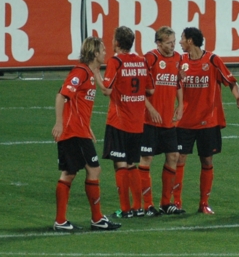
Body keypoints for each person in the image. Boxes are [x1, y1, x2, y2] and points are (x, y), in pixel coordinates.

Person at [51, 36, 121, 232]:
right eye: (103, 50)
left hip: (80, 130)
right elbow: (61, 96)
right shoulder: (80, 72)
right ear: (95, 53)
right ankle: (91, 219)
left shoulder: (89, 73)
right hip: (73, 132)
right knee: (87, 171)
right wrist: (59, 123)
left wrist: (87, 126)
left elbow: (82, 102)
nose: (106, 52)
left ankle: (66, 220)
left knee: (73, 173)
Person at [176, 27, 239, 214]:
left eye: (182, 38)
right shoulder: (180, 61)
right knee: (178, 160)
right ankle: (176, 203)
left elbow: (231, 81)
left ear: (190, 41)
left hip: (208, 122)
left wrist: (238, 97)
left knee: (207, 161)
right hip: (183, 121)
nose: (180, 42)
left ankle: (204, 203)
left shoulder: (212, 60)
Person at [101, 26, 157, 219]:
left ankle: (125, 209)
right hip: (137, 122)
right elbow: (150, 91)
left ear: (117, 42)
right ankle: (138, 207)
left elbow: (106, 90)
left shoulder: (115, 61)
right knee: (132, 163)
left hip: (119, 121)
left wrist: (94, 74)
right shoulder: (142, 61)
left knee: (120, 164)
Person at [139, 26, 183, 216]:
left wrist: (180, 105)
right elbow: (139, 88)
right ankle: (147, 205)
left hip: (168, 121)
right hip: (149, 120)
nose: (173, 46)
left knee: (173, 156)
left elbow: (178, 82)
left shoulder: (178, 58)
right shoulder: (150, 58)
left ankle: (166, 203)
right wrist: (150, 108)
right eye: (168, 43)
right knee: (146, 159)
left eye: (174, 42)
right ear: (158, 42)